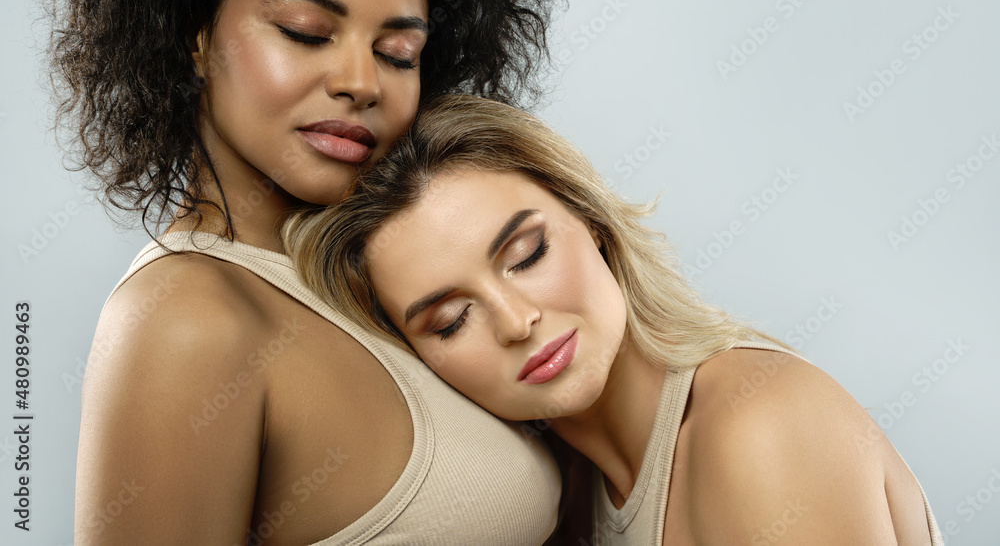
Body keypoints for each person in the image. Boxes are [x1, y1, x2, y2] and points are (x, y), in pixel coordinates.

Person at [41, 0, 568, 543]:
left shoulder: (393, 280)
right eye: (307, 32)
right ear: (194, 34)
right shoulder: (189, 317)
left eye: (396, 52)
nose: (361, 81)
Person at [284, 94, 945, 545]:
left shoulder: (761, 425)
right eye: (451, 319)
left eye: (527, 253)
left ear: (592, 222)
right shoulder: (568, 506)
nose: (517, 320)